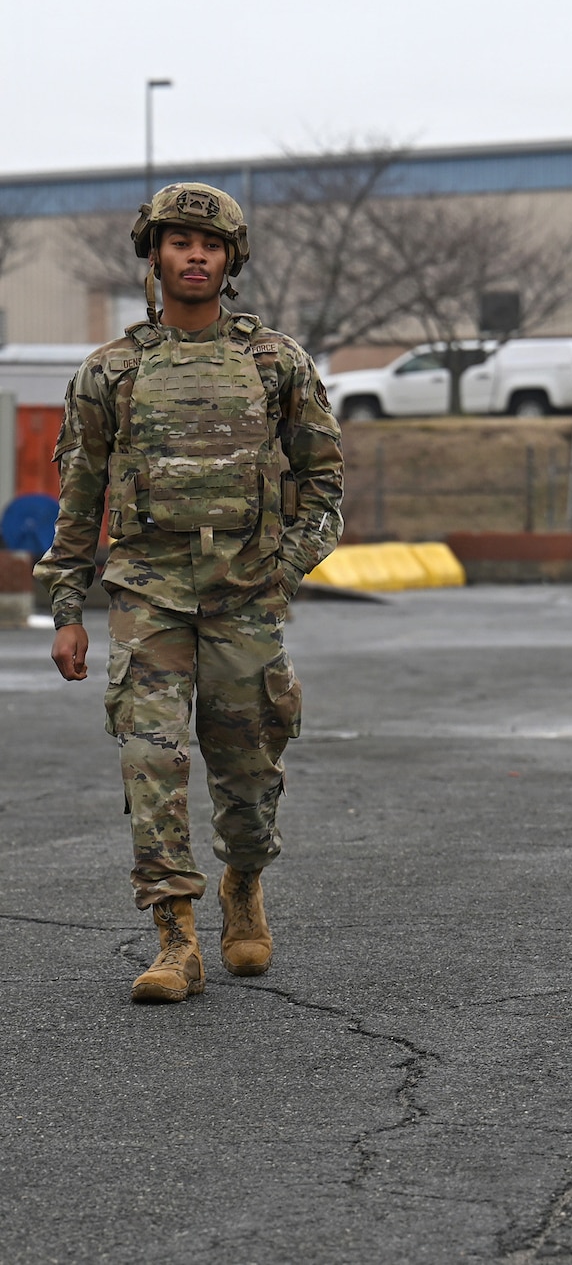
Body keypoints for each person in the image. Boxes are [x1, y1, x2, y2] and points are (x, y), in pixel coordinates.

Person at [37, 183, 344, 1003]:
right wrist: (67, 607)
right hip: (148, 596)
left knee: (247, 774)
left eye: (210, 244)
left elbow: (324, 483)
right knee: (151, 760)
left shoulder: (276, 363)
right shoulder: (112, 371)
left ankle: (244, 880)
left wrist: (285, 566)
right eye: (179, 242)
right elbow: (80, 494)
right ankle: (176, 937)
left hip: (247, 598)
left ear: (231, 259)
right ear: (156, 254)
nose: (196, 255)